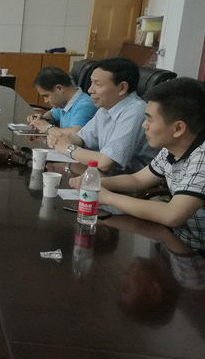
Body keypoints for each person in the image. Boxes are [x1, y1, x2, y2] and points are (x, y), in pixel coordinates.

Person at [71, 77, 205, 253]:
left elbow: (172, 215)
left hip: (197, 252)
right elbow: (137, 180)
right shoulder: (171, 149)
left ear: (178, 128)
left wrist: (107, 197)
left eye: (149, 119)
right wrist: (96, 182)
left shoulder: (202, 157)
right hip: (176, 243)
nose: (144, 125)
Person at [47, 57, 157, 173]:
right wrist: (59, 139)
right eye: (91, 83)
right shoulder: (106, 107)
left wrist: (68, 148)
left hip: (131, 180)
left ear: (122, 88)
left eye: (98, 84)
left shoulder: (136, 110)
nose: (90, 90)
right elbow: (81, 138)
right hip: (107, 175)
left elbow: (105, 162)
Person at [27, 66, 96, 134]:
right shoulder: (64, 102)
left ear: (59, 88)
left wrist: (47, 127)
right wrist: (41, 119)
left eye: (46, 96)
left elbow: (75, 133)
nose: (46, 101)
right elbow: (52, 114)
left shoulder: (85, 105)